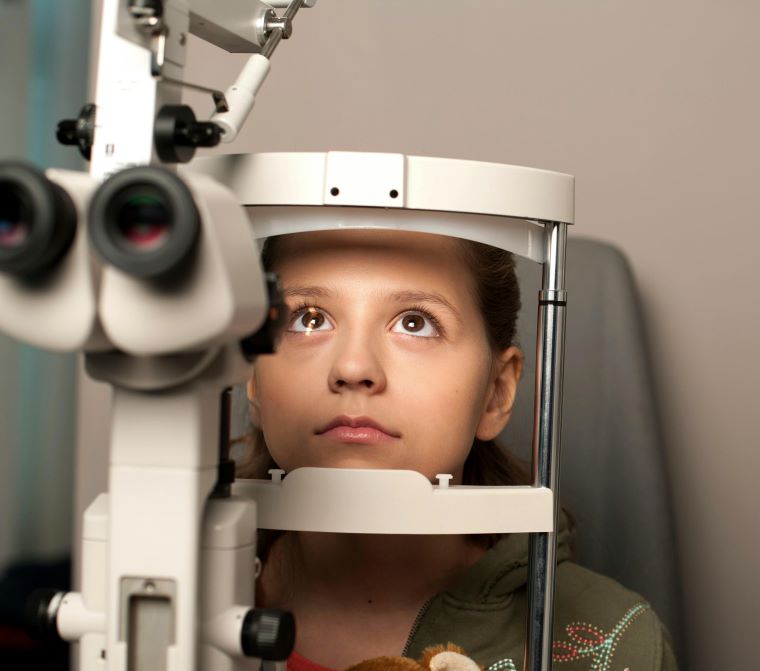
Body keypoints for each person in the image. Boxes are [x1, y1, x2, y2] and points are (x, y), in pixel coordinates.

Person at [236, 228, 677, 671]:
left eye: (415, 322)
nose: (353, 368)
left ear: (496, 392)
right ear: (253, 379)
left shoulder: (618, 643)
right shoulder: (179, 584)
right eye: (309, 319)